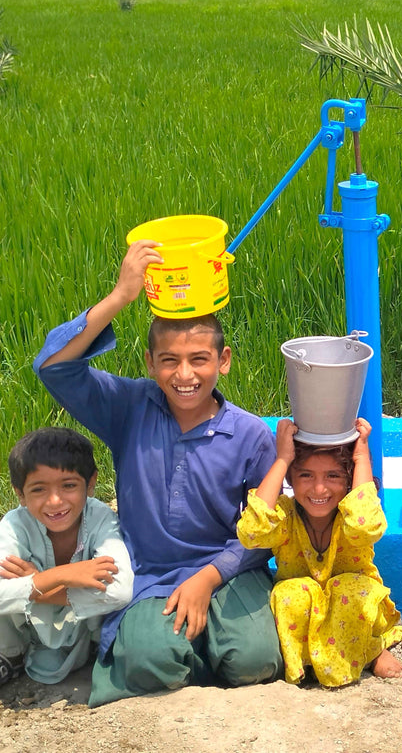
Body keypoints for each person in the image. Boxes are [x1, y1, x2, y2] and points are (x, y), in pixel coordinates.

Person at [33, 240, 283, 707]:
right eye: (169, 360)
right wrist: (121, 296)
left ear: (223, 361)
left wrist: (209, 578)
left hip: (229, 571)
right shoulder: (129, 408)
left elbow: (266, 532)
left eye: (199, 360)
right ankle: (183, 643)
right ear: (150, 364)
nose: (183, 373)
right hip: (152, 576)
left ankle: (215, 638)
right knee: (152, 662)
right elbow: (54, 368)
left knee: (255, 662)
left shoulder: (249, 434)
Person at [238, 417, 402, 686]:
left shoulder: (351, 515)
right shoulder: (285, 513)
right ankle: (309, 662)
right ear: (292, 476)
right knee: (290, 593)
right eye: (306, 475)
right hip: (303, 616)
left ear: (350, 480)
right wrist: (282, 459)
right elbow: (251, 533)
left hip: (354, 613)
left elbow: (366, 527)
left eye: (333, 476)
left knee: (349, 589)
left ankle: (370, 652)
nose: (319, 489)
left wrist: (361, 456)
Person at [0, 428, 133, 685]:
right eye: (38, 489)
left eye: (69, 485)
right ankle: (11, 655)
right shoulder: (14, 525)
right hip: (25, 628)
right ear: (20, 494)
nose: (55, 501)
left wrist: (37, 583)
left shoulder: (101, 520)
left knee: (55, 659)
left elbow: (120, 591)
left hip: (79, 632)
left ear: (91, 483)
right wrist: (59, 576)